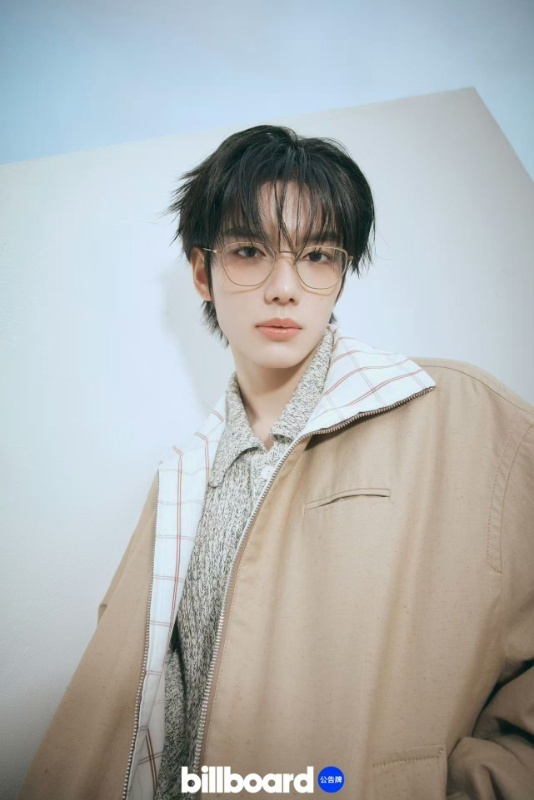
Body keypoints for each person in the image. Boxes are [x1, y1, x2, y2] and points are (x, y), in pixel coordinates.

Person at [19, 125, 534, 800]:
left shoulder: (464, 418)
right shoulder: (181, 480)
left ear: (341, 274)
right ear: (201, 273)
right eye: (248, 251)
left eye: (317, 255)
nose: (284, 287)